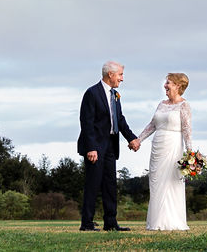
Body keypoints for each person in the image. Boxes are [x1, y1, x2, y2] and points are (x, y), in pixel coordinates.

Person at [77, 60, 140, 231]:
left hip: (111, 145)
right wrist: (91, 147)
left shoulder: (115, 96)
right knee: (93, 184)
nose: (122, 79)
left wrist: (131, 138)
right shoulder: (92, 93)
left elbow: (119, 119)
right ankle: (87, 223)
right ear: (110, 74)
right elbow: (86, 122)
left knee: (110, 185)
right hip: (96, 146)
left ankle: (111, 223)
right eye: (120, 74)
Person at [136, 72, 193, 231]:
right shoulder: (161, 104)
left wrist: (191, 155)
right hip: (157, 147)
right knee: (156, 182)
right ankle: (156, 222)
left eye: (168, 83)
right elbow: (152, 125)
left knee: (171, 182)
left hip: (173, 146)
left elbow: (187, 130)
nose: (165, 86)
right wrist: (138, 140)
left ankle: (173, 221)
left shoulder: (184, 106)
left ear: (178, 86)